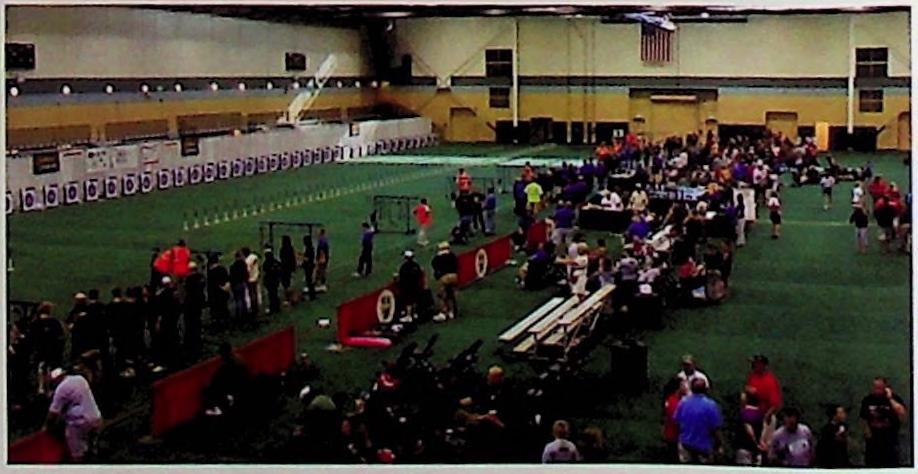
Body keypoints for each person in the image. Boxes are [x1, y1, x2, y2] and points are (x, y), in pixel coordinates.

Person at [45, 368, 103, 462]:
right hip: (96, 417)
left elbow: (53, 413)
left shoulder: (61, 389)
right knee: (92, 450)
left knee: (77, 454)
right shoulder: (80, 379)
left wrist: (46, 426)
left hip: (80, 423)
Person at [859, 377, 908, 467]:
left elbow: (902, 413)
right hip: (873, 441)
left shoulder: (894, 398)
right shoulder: (868, 400)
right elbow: (863, 417)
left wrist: (890, 398)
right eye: (875, 387)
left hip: (889, 440)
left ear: (885, 387)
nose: (876, 390)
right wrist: (867, 432)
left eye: (879, 387)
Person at [674, 377, 723, 464]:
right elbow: (715, 428)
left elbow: (677, 422)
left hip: (686, 444)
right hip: (704, 446)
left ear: (691, 389)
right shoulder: (711, 405)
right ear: (706, 390)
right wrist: (719, 445)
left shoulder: (683, 403)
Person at [203, 342, 250, 418]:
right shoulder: (239, 359)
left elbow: (215, 381)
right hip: (244, 388)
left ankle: (219, 411)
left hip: (235, 391)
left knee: (209, 391)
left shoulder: (226, 366)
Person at [31, 302, 66, 390]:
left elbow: (32, 338)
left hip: (40, 351)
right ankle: (51, 387)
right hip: (53, 351)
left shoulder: (35, 323)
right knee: (52, 369)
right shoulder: (55, 322)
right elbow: (60, 337)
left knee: (41, 369)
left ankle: (41, 388)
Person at [735, 391, 767, 466]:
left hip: (745, 449)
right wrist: (761, 442)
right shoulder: (761, 414)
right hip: (757, 451)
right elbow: (764, 428)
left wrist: (755, 444)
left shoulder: (744, 413)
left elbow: (749, 430)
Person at [431, 242, 459, 322]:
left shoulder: (438, 257)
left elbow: (434, 266)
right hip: (454, 276)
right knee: (451, 295)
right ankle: (451, 312)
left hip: (444, 277)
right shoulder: (452, 255)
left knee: (441, 296)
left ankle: (443, 312)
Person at [183, 261, 206, 356]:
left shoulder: (189, 280)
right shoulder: (200, 278)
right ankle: (198, 341)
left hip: (190, 305)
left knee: (190, 326)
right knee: (197, 323)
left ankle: (191, 345)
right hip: (198, 304)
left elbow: (186, 291)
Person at [662, 377, 687, 463]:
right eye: (683, 385)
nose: (686, 387)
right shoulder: (674, 402)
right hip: (674, 437)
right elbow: (676, 421)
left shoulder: (676, 400)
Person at [396, 250, 424, 321]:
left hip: (408, 287)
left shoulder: (404, 267)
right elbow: (420, 273)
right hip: (416, 285)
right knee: (414, 300)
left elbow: (401, 277)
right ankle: (414, 314)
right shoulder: (416, 265)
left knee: (408, 302)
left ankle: (408, 316)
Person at [206, 253, 231, 331]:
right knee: (224, 308)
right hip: (223, 292)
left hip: (215, 294)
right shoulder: (223, 269)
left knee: (216, 310)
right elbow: (227, 279)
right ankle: (226, 323)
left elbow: (210, 285)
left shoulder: (211, 272)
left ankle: (218, 324)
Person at [229, 251, 249, 322]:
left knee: (238, 300)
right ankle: (245, 314)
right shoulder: (243, 265)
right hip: (242, 283)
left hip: (236, 284)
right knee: (243, 299)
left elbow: (231, 277)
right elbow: (246, 274)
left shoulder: (233, 266)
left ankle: (239, 315)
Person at [262, 246, 283, 315]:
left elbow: (265, 271)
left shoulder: (266, 263)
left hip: (270, 281)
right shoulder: (275, 261)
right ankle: (277, 307)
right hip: (275, 280)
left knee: (271, 295)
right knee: (275, 293)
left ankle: (272, 308)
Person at [242, 247, 260, 318]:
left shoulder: (247, 261)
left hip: (250, 279)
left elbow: (247, 271)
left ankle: (254, 308)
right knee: (256, 293)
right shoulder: (254, 257)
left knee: (252, 294)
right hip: (256, 276)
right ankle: (257, 307)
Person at [301, 235, 317, 301]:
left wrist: (302, 257)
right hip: (309, 266)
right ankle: (312, 295)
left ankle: (312, 296)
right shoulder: (310, 248)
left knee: (309, 281)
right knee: (309, 281)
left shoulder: (309, 249)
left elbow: (308, 259)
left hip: (309, 267)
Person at [315, 228, 330, 293]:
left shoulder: (321, 240)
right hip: (325, 257)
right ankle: (322, 282)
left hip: (322, 257)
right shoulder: (325, 239)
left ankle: (320, 283)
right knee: (322, 270)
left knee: (320, 270)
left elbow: (321, 250)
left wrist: (321, 258)